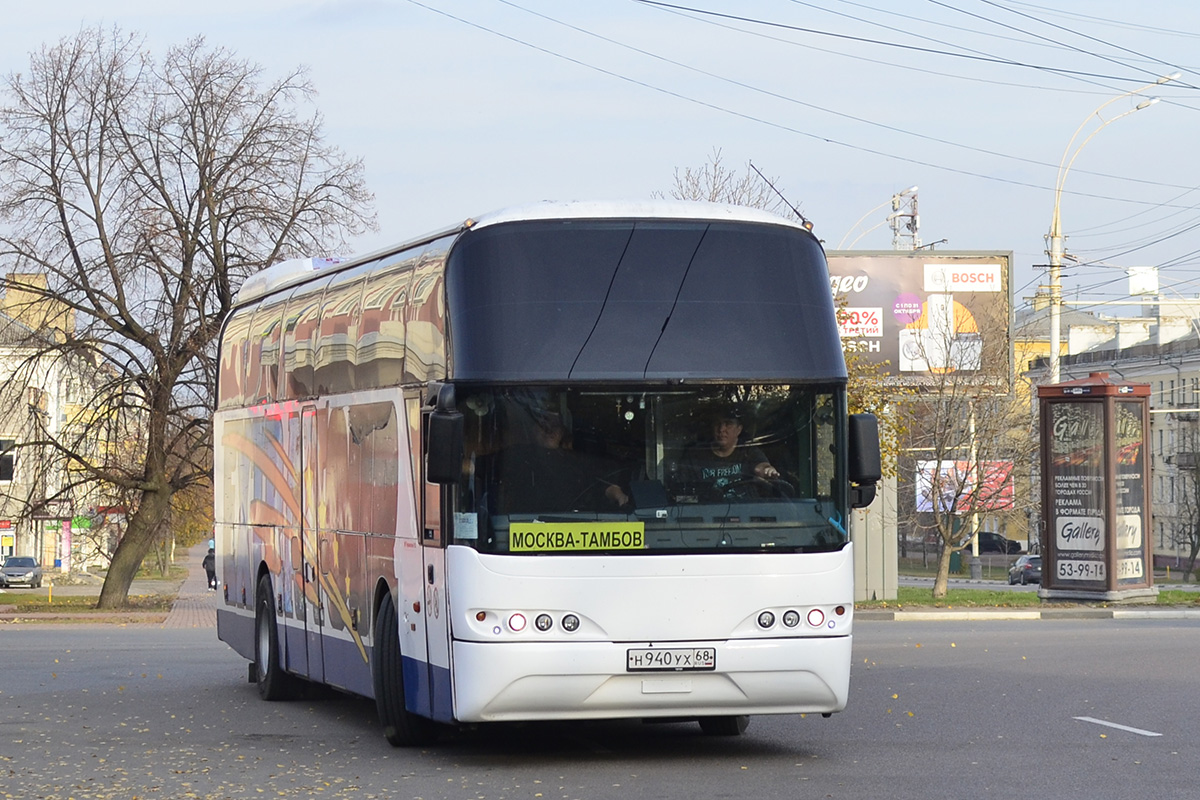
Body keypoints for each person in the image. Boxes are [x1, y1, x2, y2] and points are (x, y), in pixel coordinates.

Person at [500, 409, 630, 512]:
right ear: (533, 429)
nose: (549, 431)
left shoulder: (575, 461)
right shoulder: (517, 455)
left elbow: (597, 484)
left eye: (555, 426)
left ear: (563, 431)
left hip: (571, 526)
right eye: (543, 426)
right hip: (525, 526)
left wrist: (616, 493)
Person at [677, 405, 780, 501]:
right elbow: (681, 497)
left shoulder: (748, 451)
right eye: (717, 424)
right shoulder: (695, 455)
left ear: (739, 429)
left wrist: (767, 471)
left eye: (728, 424)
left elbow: (760, 467)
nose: (721, 429)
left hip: (746, 514)